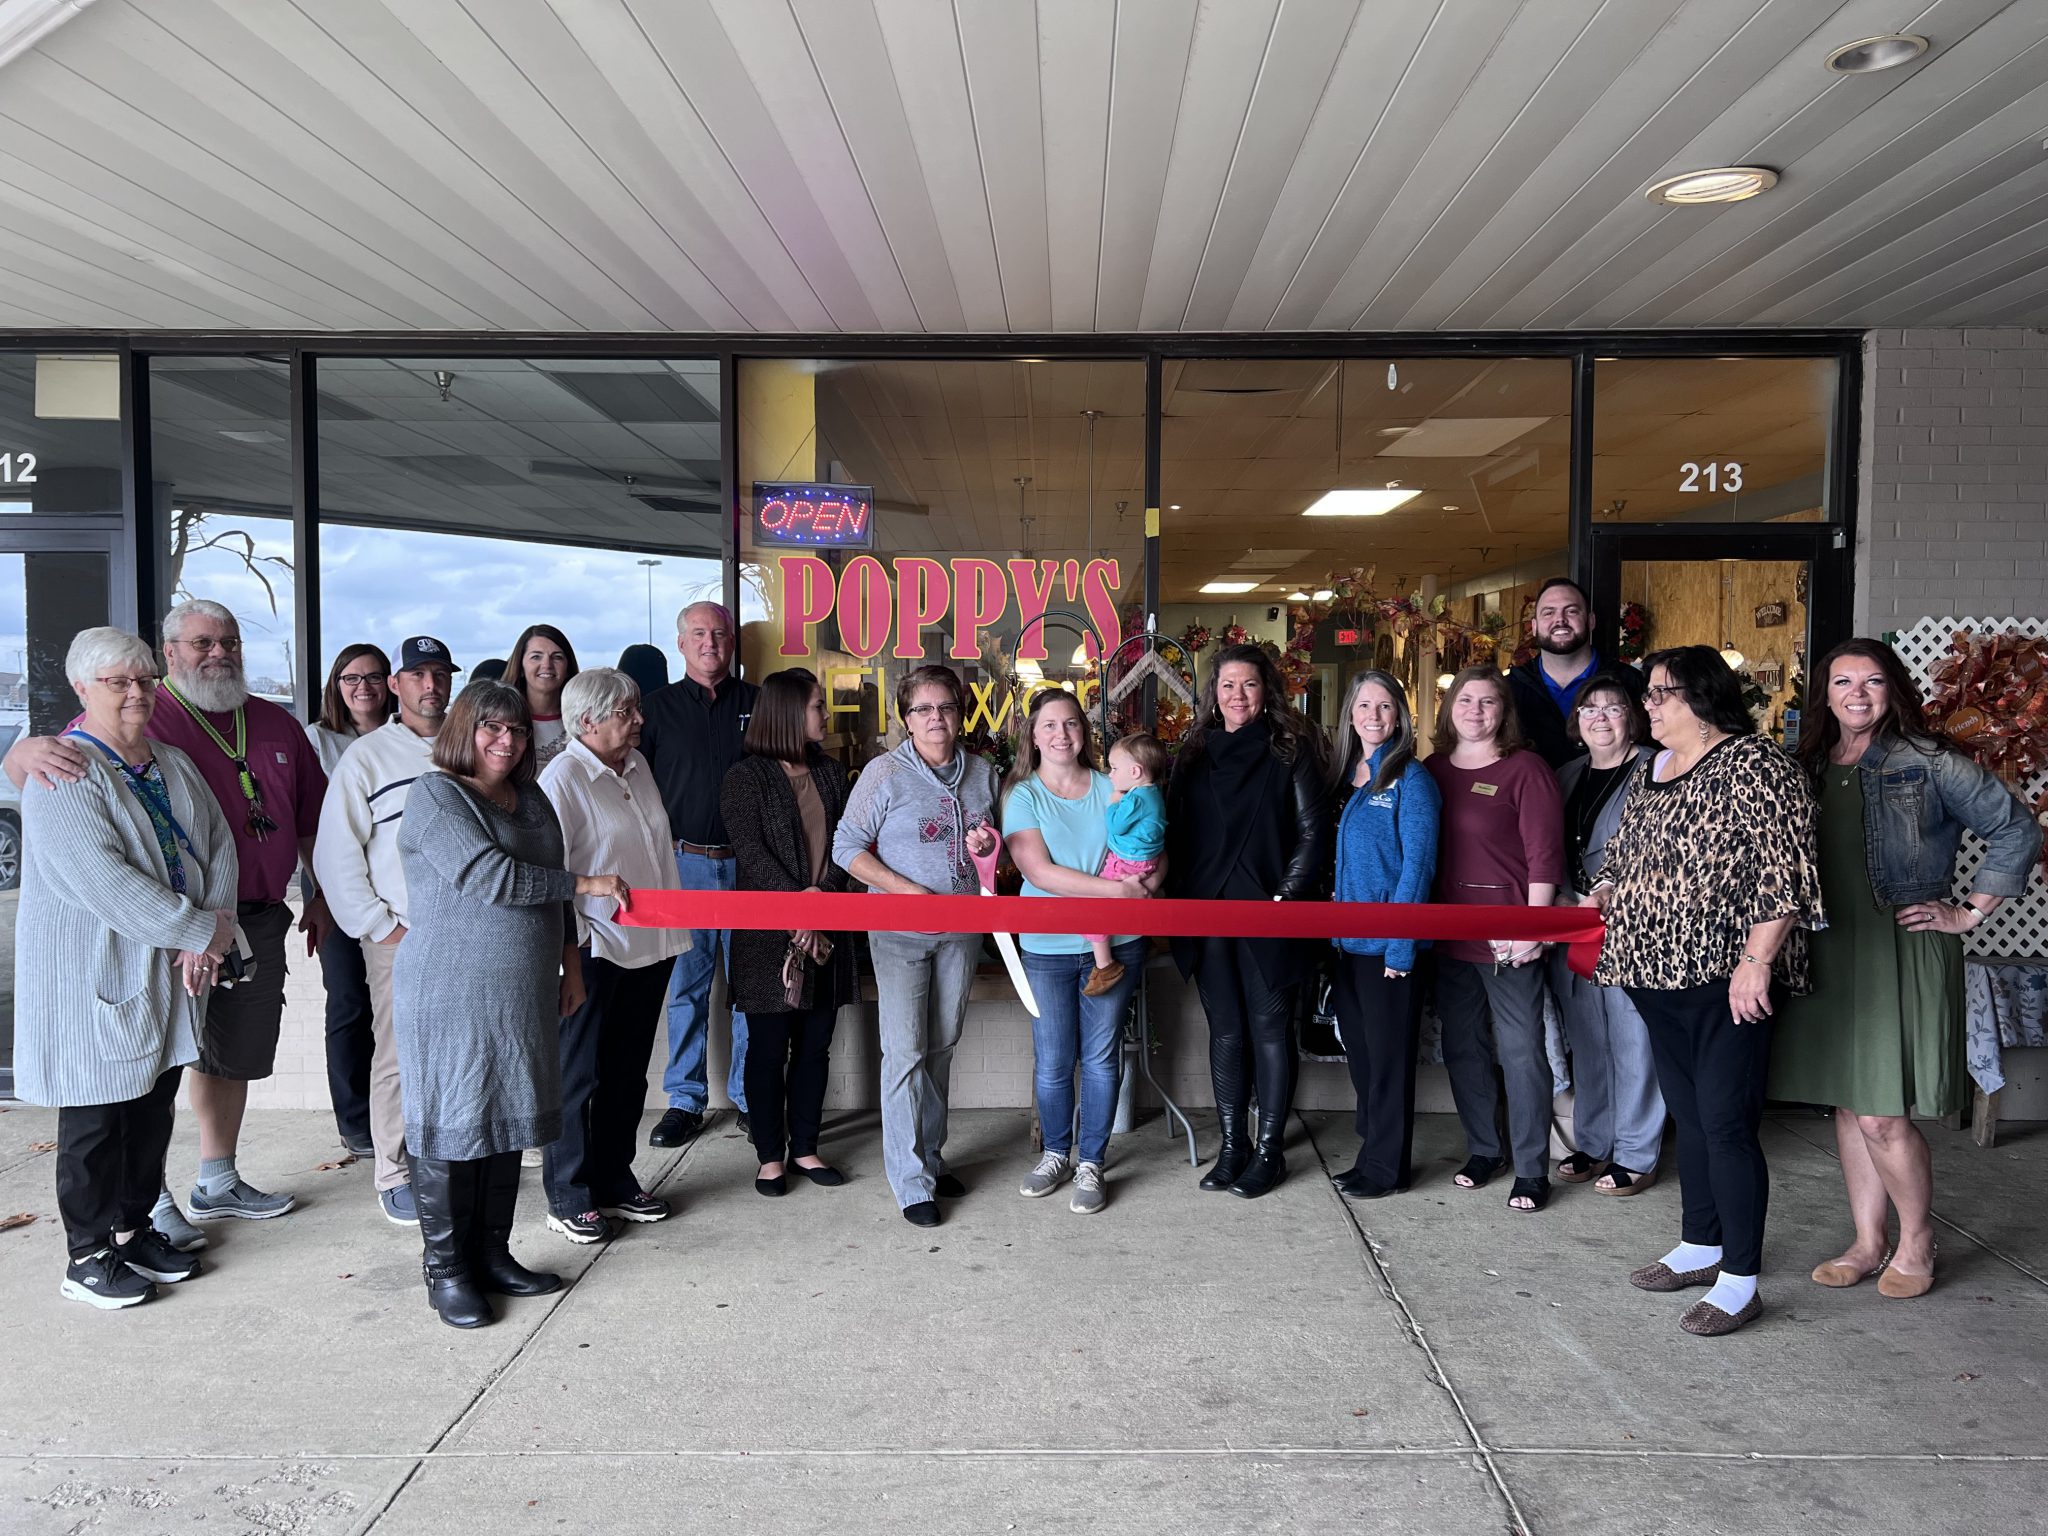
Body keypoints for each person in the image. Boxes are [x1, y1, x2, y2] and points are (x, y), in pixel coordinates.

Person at [5, 599, 329, 1243]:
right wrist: (13, 760)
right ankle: (138, 1212)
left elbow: (294, 819)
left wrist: (303, 897)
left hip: (245, 920)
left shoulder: (270, 722)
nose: (220, 653)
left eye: (230, 641)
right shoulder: (126, 726)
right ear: (172, 651)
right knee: (131, 1080)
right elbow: (54, 768)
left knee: (223, 1057)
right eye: (203, 642)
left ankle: (216, 1177)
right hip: (146, 943)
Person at [1773, 639, 2039, 1299]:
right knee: (1848, 1102)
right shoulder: (1806, 764)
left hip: (1900, 942)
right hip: (1830, 948)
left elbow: (2017, 829)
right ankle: (1868, 1241)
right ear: (1824, 694)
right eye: (1842, 682)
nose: (1856, 694)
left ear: (1892, 690)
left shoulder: (1926, 760)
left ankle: (1917, 1239)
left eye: (1871, 681)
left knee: (1882, 1114)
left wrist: (1970, 913)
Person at [1589, 646, 1824, 1337]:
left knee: (1725, 1123)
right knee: (1688, 1119)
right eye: (1650, 695)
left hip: (1725, 979)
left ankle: (1740, 1280)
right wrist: (1607, 887)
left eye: (1661, 694)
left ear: (1702, 697)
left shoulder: (1757, 766)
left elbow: (1789, 875)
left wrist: (1758, 961)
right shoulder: (1652, 768)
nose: (1649, 706)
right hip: (1652, 975)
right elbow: (1627, 853)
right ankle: (1700, 1242)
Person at [393, 680, 629, 1328]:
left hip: (521, 993)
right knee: (455, 1122)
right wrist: (586, 880)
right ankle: (446, 1271)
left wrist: (572, 963)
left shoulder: (531, 799)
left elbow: (557, 899)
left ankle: (493, 1255)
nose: (506, 740)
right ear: (464, 730)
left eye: (518, 730)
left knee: (506, 1123)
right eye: (491, 727)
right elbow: (489, 877)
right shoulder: (437, 795)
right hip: (449, 993)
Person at [14, 628, 238, 1308]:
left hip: (172, 970)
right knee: (95, 1118)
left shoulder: (169, 760)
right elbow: (102, 881)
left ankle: (133, 1227)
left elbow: (219, 843)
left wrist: (212, 933)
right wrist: (199, 928)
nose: (136, 691)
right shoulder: (63, 773)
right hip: (95, 975)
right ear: (84, 689)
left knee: (151, 1107)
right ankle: (86, 1256)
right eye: (118, 681)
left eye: (143, 678)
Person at [832, 664, 999, 1228]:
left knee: (942, 1044)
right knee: (904, 1052)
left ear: (960, 712)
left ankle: (929, 1154)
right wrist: (908, 891)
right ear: (906, 719)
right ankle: (910, 1182)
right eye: (923, 709)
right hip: (900, 933)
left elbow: (991, 844)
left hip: (961, 932)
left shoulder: (982, 773)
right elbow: (846, 846)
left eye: (946, 707)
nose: (936, 718)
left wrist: (985, 843)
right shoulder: (885, 774)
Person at [1165, 643, 1329, 1200]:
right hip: (1208, 912)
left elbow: (1313, 834)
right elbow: (1177, 835)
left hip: (1271, 910)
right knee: (1227, 1030)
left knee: (1269, 1028)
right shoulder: (1193, 755)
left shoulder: (1291, 751)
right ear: (1214, 693)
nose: (1238, 695)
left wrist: (1285, 898)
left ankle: (1269, 1151)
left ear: (1267, 692)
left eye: (1250, 685)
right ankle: (1233, 1145)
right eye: (1228, 685)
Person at [312, 636, 460, 1225]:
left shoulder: (468, 746)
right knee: (398, 1055)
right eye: (417, 675)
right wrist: (380, 926)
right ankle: (395, 1170)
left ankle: (449, 1152)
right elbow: (335, 854)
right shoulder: (367, 757)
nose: (431, 685)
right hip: (402, 935)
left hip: (468, 935)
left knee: (459, 1052)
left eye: (440, 674)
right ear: (396, 685)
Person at [537, 668, 687, 1243]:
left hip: (650, 944)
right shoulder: (564, 779)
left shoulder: (636, 764)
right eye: (626, 712)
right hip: (593, 948)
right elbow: (552, 875)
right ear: (587, 722)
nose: (639, 721)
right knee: (579, 1076)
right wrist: (567, 957)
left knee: (627, 1072)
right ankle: (569, 1194)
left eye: (636, 709)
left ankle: (614, 1179)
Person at [1003, 693, 1156, 1216]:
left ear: (1084, 732)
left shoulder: (1111, 786)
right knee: (1052, 1060)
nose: (1061, 734)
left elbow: (1150, 844)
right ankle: (1054, 1155)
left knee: (1100, 1058)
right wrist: (1118, 893)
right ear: (1033, 733)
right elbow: (1038, 872)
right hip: (1045, 947)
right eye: (1049, 724)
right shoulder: (1022, 795)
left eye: (1071, 723)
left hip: (1113, 948)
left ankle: (1091, 1160)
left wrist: (1151, 879)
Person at [719, 669, 857, 1198]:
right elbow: (750, 854)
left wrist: (822, 900)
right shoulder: (745, 777)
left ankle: (806, 1147)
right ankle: (769, 1156)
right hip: (767, 936)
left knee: (816, 1046)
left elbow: (849, 841)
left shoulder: (829, 772)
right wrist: (800, 906)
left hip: (828, 929)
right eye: (818, 706)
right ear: (788, 713)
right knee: (768, 1047)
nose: (825, 714)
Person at [639, 602, 758, 1146]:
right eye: (699, 634)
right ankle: (684, 1099)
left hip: (752, 867)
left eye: (720, 634)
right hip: (683, 865)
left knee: (748, 989)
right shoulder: (653, 710)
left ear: (732, 643)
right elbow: (634, 790)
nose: (710, 643)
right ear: (681, 643)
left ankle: (750, 1095)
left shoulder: (757, 705)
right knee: (686, 987)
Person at [1549, 673, 1664, 1195]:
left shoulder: (1655, 768)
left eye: (1613, 708)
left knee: (1632, 1037)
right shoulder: (1566, 773)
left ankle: (1637, 1152)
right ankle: (1594, 1142)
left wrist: (1615, 893)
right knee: (1589, 1038)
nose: (1600, 717)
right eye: (1589, 709)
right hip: (1572, 923)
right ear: (1577, 722)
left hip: (1631, 926)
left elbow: (1664, 849)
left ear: (1632, 716)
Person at [1327, 669, 1440, 1200]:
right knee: (1364, 1057)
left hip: (1389, 949)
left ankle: (1387, 1168)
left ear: (1400, 715)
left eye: (1385, 707)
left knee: (1389, 1060)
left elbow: (1416, 868)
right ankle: (1371, 1152)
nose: (1374, 716)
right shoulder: (1346, 774)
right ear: (1350, 714)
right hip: (1346, 946)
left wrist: (1401, 945)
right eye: (1364, 706)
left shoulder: (1412, 779)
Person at [305, 644, 395, 1160]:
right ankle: (355, 1122)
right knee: (349, 1003)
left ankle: (397, 1113)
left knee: (396, 1009)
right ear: (335, 685)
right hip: (338, 895)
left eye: (374, 676)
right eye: (350, 677)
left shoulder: (404, 738)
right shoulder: (316, 741)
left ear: (390, 683)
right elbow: (310, 825)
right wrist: (320, 893)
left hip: (397, 897)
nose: (363, 687)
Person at [1507, 577, 1644, 769]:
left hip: (1614, 796)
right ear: (1535, 626)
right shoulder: (1510, 688)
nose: (1560, 620)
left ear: (1590, 621)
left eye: (1571, 611)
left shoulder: (1629, 681)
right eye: (1548, 613)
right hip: (1533, 797)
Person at [1079, 731, 1167, 997]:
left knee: (1094, 909)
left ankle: (1105, 966)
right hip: (1143, 861)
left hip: (1127, 864)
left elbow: (1115, 825)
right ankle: (1147, 937)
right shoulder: (1153, 793)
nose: (1110, 775)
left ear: (1136, 771)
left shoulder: (1136, 798)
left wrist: (1113, 803)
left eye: (1115, 768)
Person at [506, 624, 579, 772]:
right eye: (536, 657)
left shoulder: (583, 721)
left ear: (567, 668)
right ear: (520, 667)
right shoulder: (501, 721)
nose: (547, 665)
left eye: (557, 657)